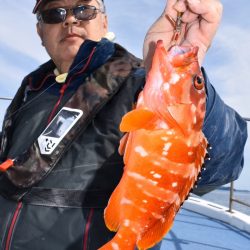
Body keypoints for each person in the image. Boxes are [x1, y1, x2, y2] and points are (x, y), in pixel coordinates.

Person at [0, 0, 247, 249]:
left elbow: (224, 164)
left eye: (84, 10)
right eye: (54, 13)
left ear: (104, 22)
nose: (70, 20)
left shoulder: (139, 83)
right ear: (39, 31)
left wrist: (183, 74)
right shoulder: (31, 90)